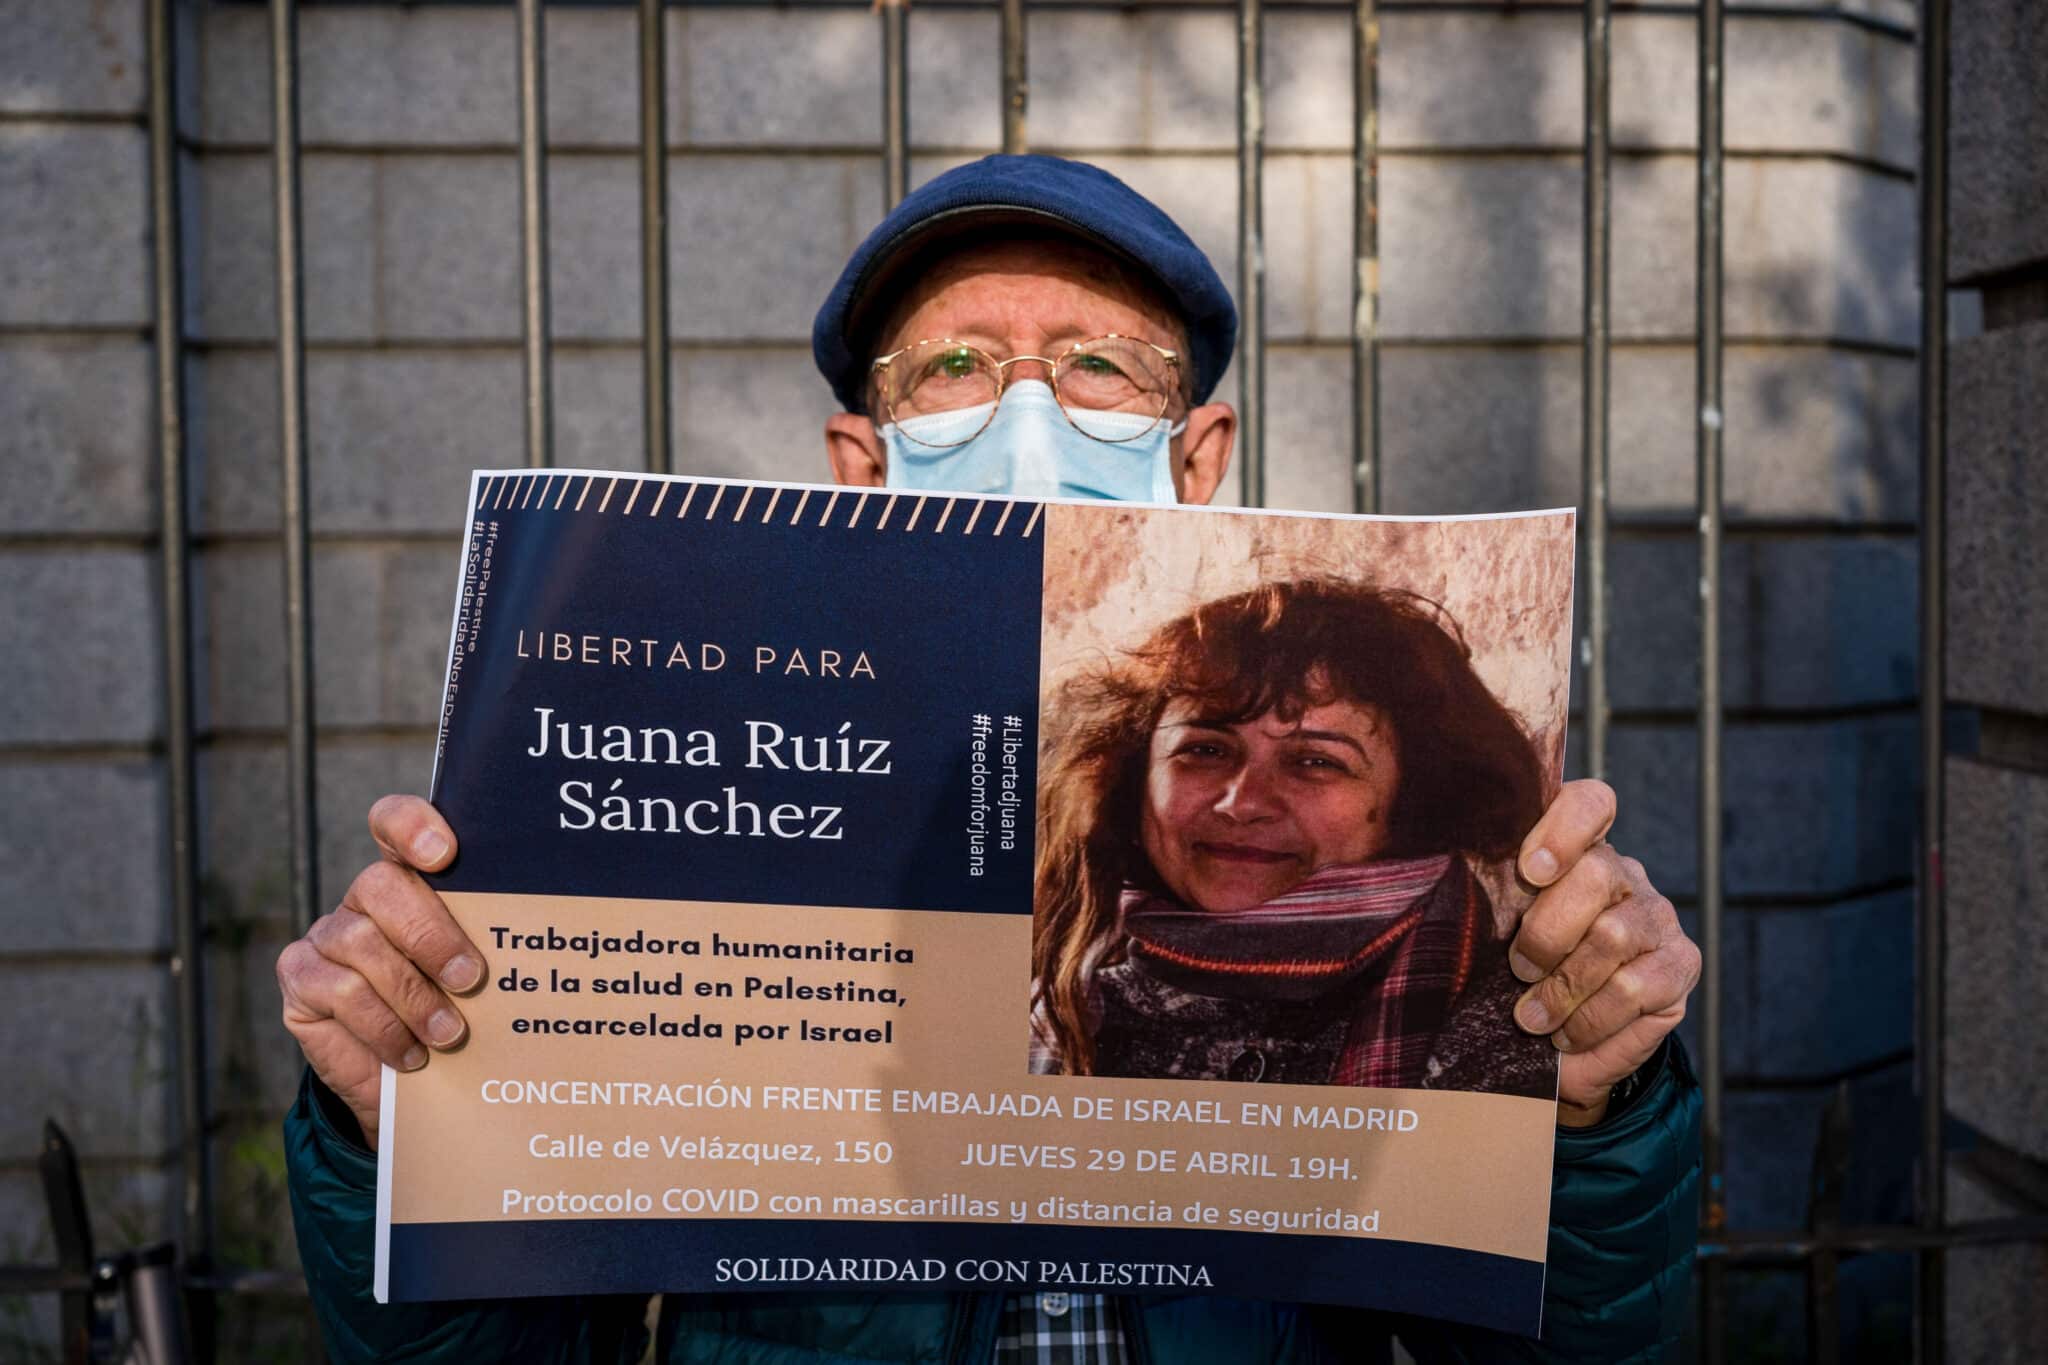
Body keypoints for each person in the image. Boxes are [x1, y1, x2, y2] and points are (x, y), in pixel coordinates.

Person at [280, 154, 1703, 1363]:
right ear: (863, 457)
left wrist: (1588, 1116)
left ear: (1196, 456)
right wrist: (395, 1117)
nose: (1028, 412)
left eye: (1099, 365)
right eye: (953, 367)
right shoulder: (704, 814)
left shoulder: (1411, 944)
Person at [1031, 579, 1557, 1100]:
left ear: (1407, 804)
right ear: (1138, 774)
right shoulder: (1054, 997)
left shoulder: (1513, 1027)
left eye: (1315, 761)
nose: (1241, 803)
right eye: (1206, 751)